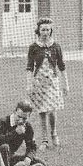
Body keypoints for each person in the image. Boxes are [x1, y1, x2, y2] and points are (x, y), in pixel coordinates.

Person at [26, 17, 68, 148]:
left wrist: (65, 84)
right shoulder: (33, 47)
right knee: (42, 111)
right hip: (39, 82)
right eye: (43, 29)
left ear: (51, 31)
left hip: (52, 82)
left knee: (52, 110)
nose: (45, 32)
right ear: (38, 30)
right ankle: (44, 140)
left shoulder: (56, 46)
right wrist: (29, 84)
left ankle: (54, 133)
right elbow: (29, 67)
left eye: (48, 30)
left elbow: (61, 66)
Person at [0, 100, 42, 166]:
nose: (20, 120)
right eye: (19, 117)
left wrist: (29, 157)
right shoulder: (2, 121)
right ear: (14, 112)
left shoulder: (27, 126)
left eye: (24, 118)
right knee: (4, 147)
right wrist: (15, 133)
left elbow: (32, 146)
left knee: (38, 162)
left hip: (10, 157)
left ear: (29, 116)